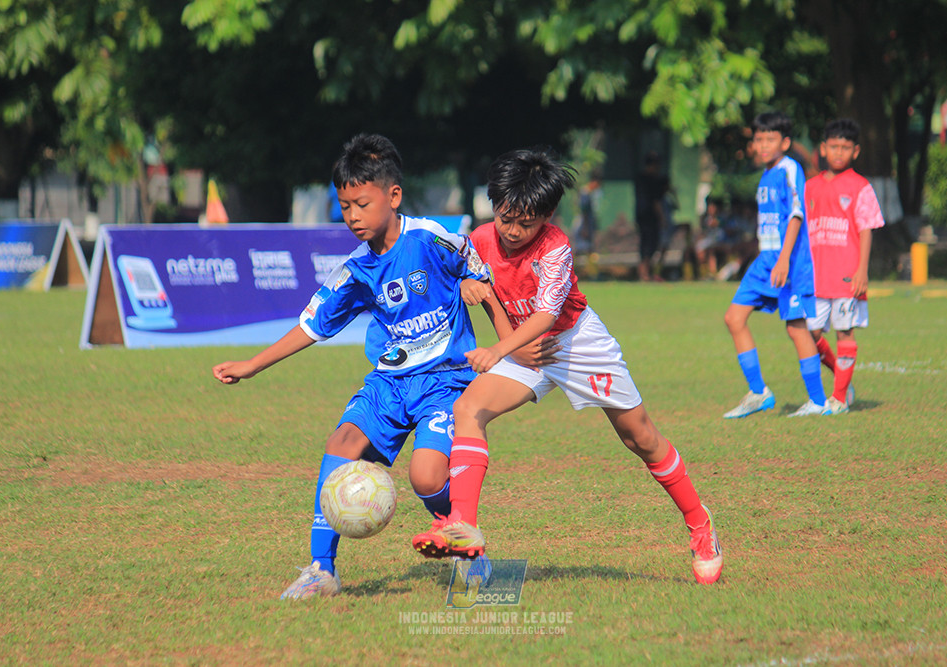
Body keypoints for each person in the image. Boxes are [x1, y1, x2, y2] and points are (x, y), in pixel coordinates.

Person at [411, 147, 724, 585]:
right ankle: (463, 530)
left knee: (641, 438)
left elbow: (545, 316)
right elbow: (483, 289)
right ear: (493, 204)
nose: (514, 230)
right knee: (469, 410)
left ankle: (700, 525)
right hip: (522, 349)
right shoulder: (478, 239)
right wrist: (475, 291)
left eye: (527, 222)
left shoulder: (556, 247)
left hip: (574, 342)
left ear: (549, 215)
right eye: (506, 218)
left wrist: (500, 351)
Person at [212, 134, 498, 600]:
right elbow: (311, 325)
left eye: (362, 204)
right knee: (341, 443)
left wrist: (492, 323)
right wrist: (253, 365)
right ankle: (321, 570)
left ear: (393, 196)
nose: (352, 216)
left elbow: (477, 271)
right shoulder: (356, 270)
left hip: (445, 381)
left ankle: (468, 546)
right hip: (389, 382)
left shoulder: (429, 238)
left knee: (426, 477)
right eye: (344, 207)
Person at [722, 111, 827, 418]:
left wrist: (783, 259)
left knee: (797, 330)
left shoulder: (789, 169)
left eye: (771, 139)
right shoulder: (765, 175)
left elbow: (796, 214)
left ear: (785, 142)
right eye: (759, 139)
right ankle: (759, 393)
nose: (764, 145)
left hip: (789, 263)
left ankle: (820, 402)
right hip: (764, 262)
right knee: (733, 318)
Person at [805, 118, 885, 415]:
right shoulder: (810, 187)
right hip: (815, 277)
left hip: (846, 276)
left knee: (844, 333)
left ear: (856, 151)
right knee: (808, 334)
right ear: (823, 149)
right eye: (834, 146)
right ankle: (842, 380)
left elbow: (866, 229)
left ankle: (838, 398)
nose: (839, 152)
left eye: (845, 147)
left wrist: (862, 270)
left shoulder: (860, 187)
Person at [633, 150, 670, 282]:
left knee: (645, 244)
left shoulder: (639, 179)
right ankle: (645, 273)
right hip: (650, 217)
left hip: (641, 216)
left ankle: (644, 273)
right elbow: (656, 202)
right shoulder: (652, 181)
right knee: (650, 245)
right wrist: (662, 218)